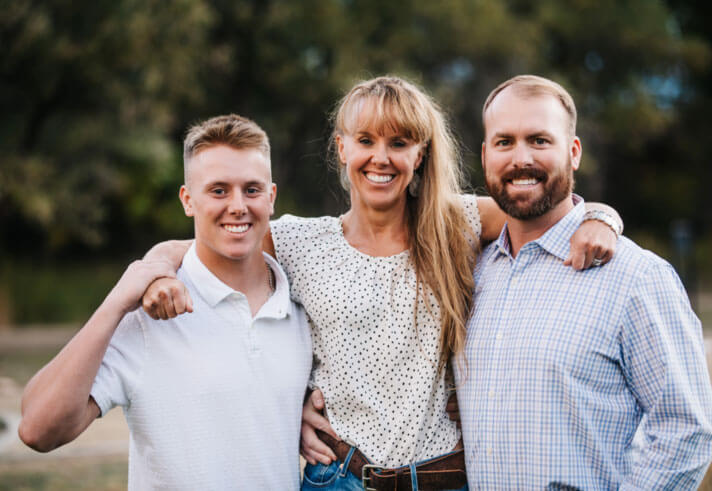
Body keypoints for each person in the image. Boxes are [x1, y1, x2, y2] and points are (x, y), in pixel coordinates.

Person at [142, 76, 621, 490]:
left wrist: (602, 217)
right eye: (366, 140)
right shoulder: (299, 242)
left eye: (399, 142)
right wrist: (157, 270)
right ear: (341, 147)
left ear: (420, 153)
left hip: (445, 477)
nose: (381, 157)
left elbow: (551, 211)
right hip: (340, 477)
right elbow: (191, 248)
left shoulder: (457, 223)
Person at [18, 115, 312, 490]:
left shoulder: (299, 303)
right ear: (188, 200)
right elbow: (38, 429)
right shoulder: (151, 310)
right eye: (218, 191)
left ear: (271, 197)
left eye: (251, 190)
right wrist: (116, 301)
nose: (238, 206)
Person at [457, 75, 712, 489]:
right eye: (505, 142)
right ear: (486, 155)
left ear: (573, 152)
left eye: (540, 140)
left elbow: (687, 430)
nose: (520, 158)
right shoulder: (470, 268)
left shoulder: (636, 277)